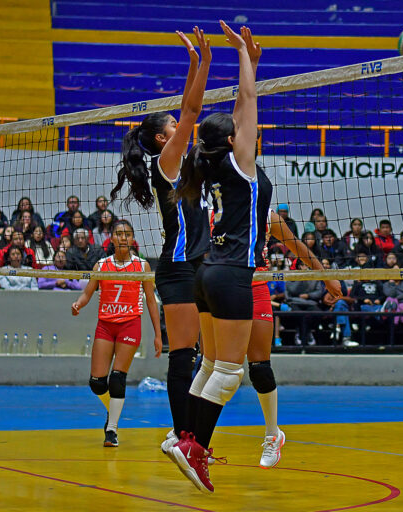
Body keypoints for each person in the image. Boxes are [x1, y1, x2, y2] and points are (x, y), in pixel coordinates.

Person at [168, 23, 271, 494]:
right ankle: (196, 448)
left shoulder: (208, 161)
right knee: (228, 372)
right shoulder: (239, 162)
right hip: (231, 274)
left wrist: (248, 59)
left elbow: (239, 112)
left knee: (208, 365)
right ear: (233, 141)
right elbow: (246, 104)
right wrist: (243, 57)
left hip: (206, 272)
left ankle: (183, 438)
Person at [110, 26, 211, 462]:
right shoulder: (166, 161)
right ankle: (182, 434)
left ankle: (186, 435)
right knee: (185, 353)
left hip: (198, 263)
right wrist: (200, 63)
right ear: (160, 138)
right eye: (171, 125)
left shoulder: (181, 160)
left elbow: (188, 111)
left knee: (202, 355)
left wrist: (195, 65)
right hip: (180, 264)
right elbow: (191, 110)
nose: (180, 125)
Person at [248, 206, 341, 463]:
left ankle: (272, 435)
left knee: (259, 367)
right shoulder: (212, 209)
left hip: (255, 290)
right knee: (215, 366)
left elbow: (297, 246)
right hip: (222, 290)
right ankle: (192, 436)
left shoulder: (266, 215)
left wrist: (325, 277)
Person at [71, 220, 162, 448]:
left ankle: (111, 429)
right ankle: (111, 412)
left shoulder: (142, 266)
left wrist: (158, 334)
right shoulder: (101, 265)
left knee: (118, 378)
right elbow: (87, 293)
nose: (123, 238)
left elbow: (151, 301)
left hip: (130, 325)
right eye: (119, 234)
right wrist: (78, 304)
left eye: (127, 234)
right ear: (111, 238)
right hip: (106, 325)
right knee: (97, 383)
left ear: (133, 239)